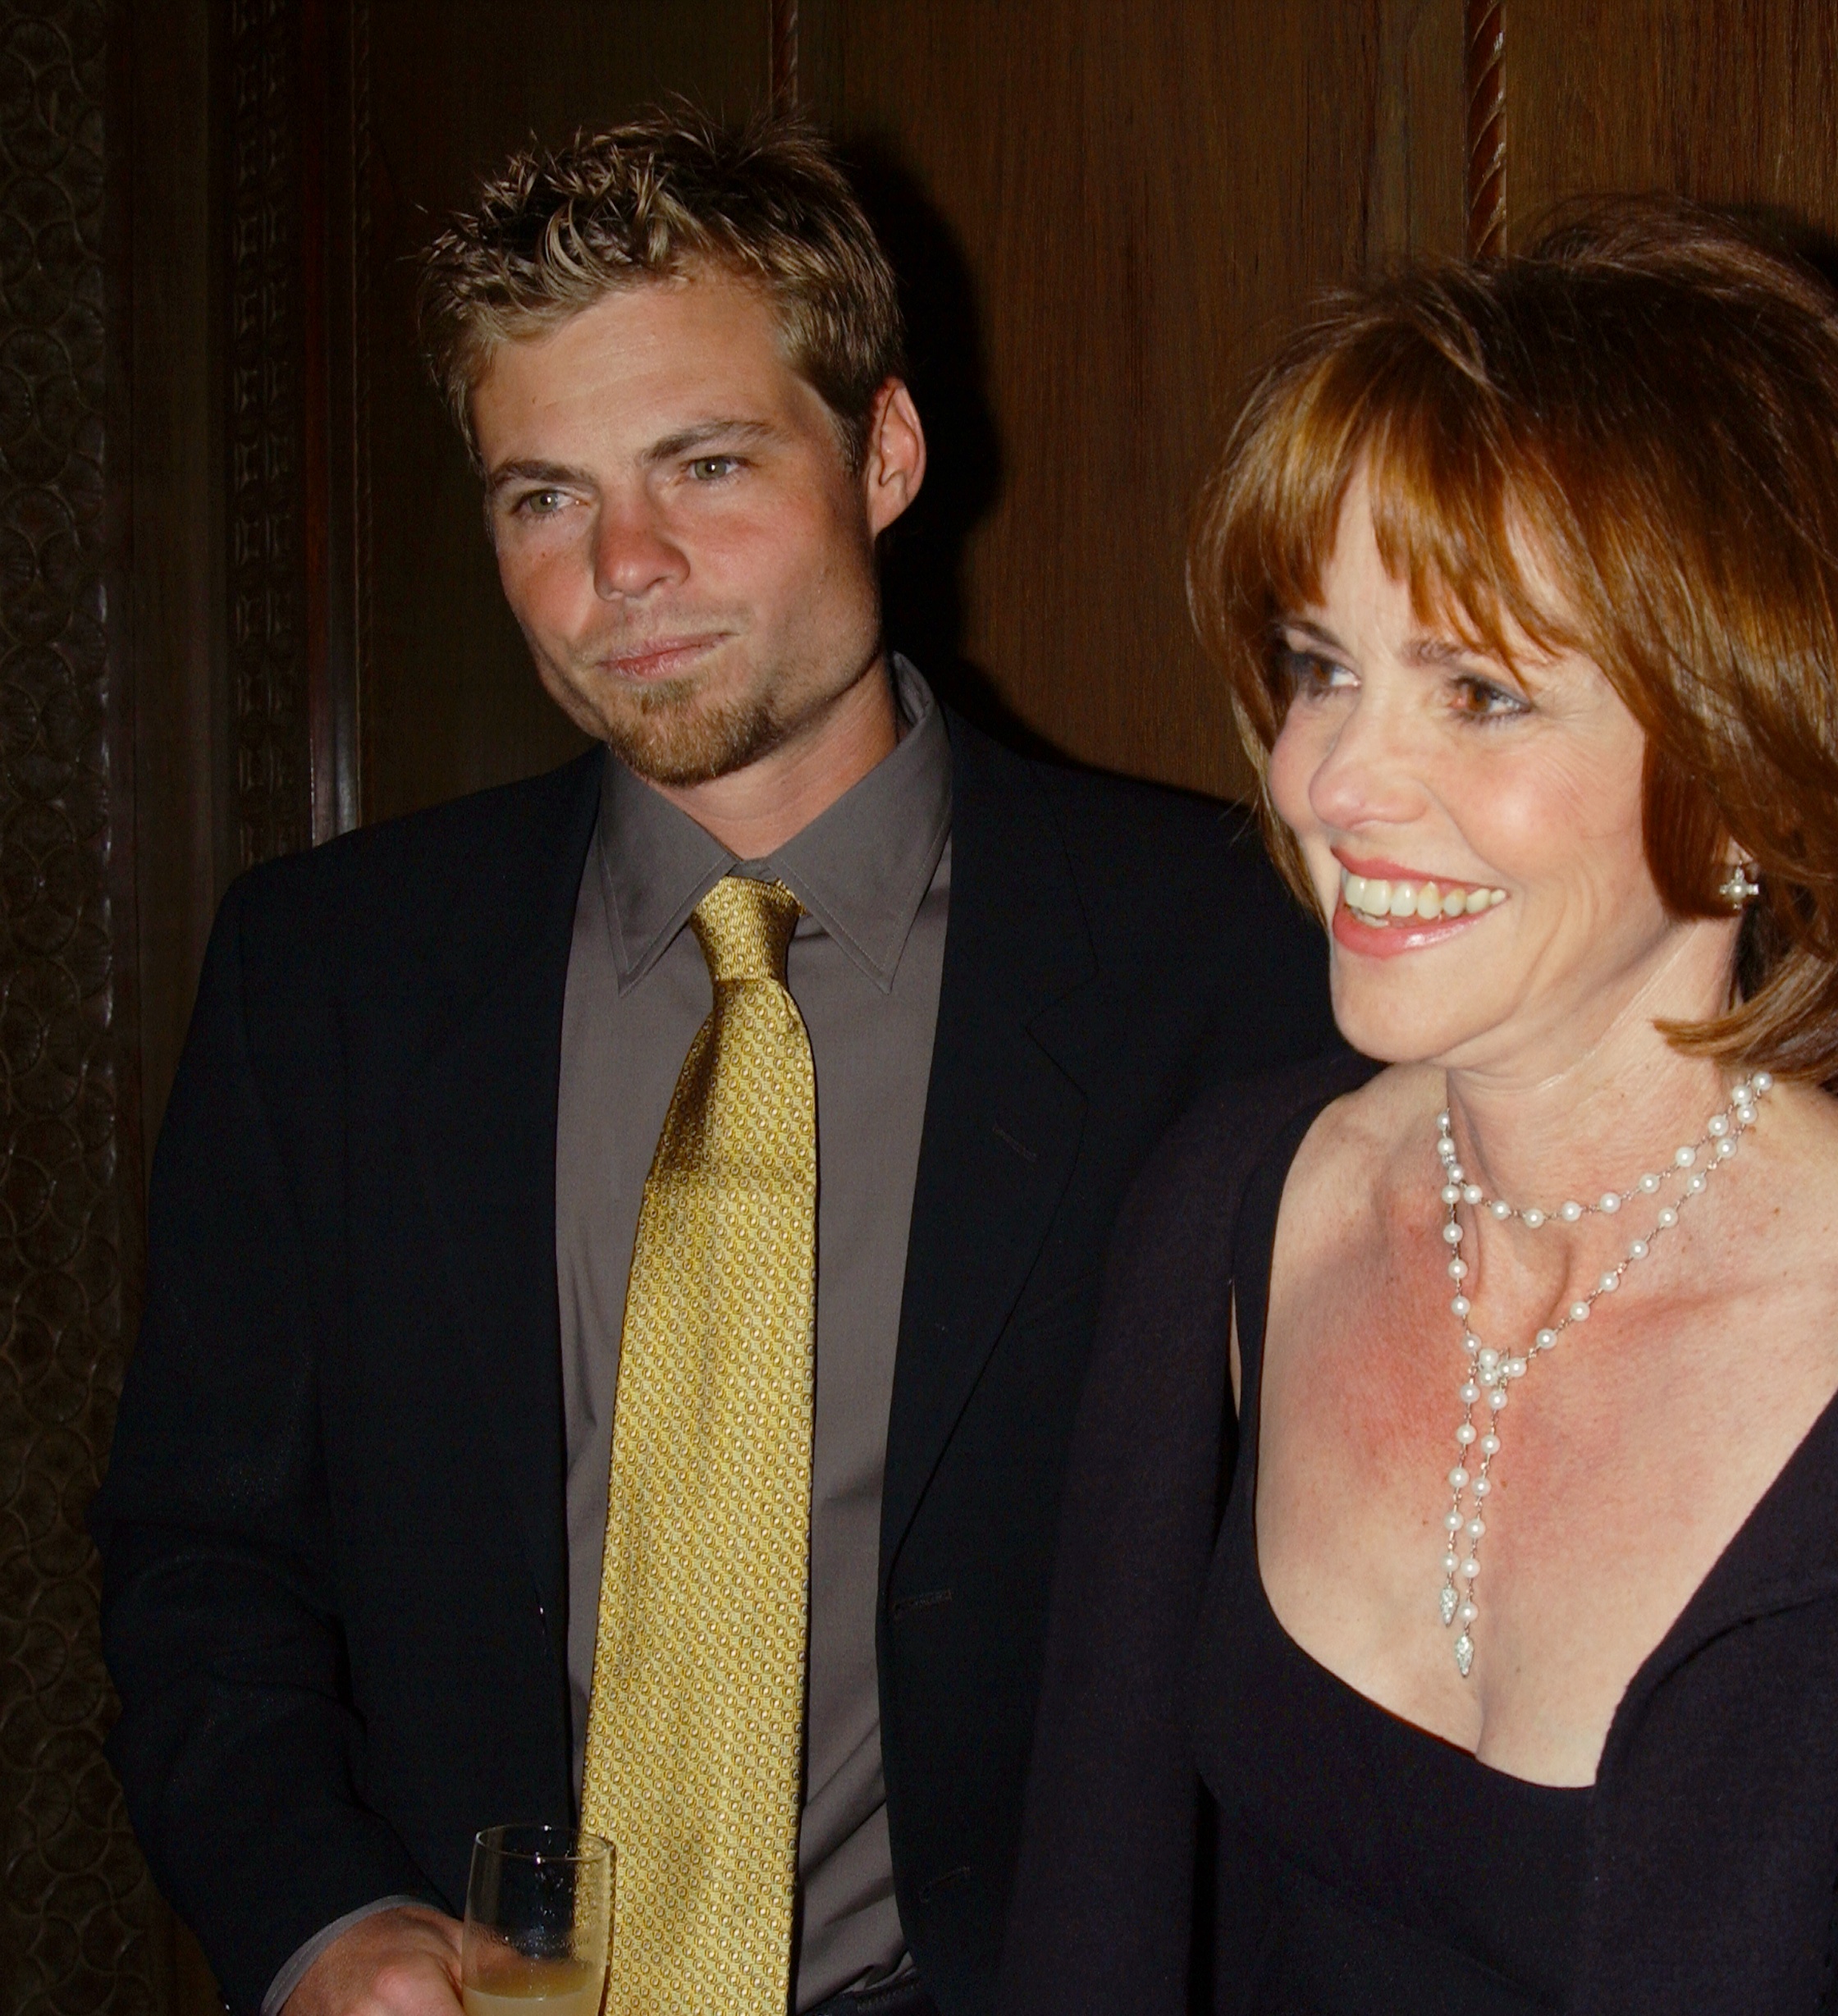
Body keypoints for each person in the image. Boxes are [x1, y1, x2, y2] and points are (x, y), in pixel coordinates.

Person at [1001, 202, 1838, 2014]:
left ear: (1748, 777)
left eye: (1479, 692)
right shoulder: (1230, 1213)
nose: (1328, 777)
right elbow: (1103, 1917)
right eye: (1323, 662)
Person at [93, 110, 1336, 2016]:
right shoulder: (322, 971)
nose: (626, 567)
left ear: (887, 453)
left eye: (708, 462)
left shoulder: (1232, 956)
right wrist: (318, 1920)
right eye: (543, 497)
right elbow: (202, 1568)